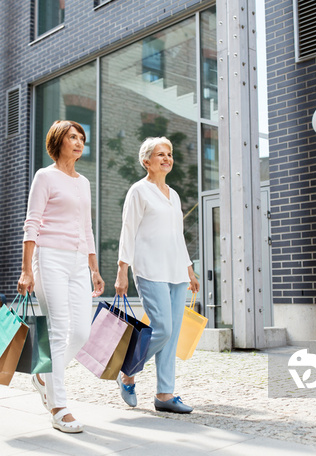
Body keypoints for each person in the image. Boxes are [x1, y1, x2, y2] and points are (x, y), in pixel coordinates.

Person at [17, 120, 104, 433]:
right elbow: (32, 223)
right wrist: (27, 268)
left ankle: (44, 375)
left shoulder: (83, 182)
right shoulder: (45, 176)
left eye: (82, 137)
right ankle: (59, 407)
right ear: (58, 141)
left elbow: (87, 228)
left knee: (80, 333)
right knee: (58, 329)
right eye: (72, 136)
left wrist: (94, 267)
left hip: (79, 262)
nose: (79, 142)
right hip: (50, 257)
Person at [114, 136, 200, 414]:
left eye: (169, 154)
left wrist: (188, 268)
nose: (166, 158)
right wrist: (122, 270)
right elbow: (127, 232)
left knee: (172, 334)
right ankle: (127, 371)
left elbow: (177, 235)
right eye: (160, 154)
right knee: (161, 328)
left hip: (176, 270)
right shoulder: (138, 191)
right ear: (146, 161)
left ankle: (165, 394)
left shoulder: (173, 195)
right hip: (150, 268)